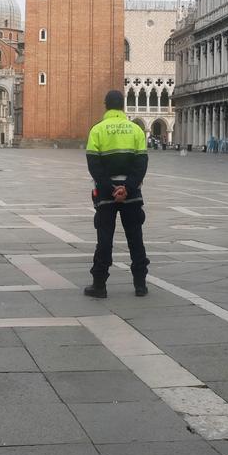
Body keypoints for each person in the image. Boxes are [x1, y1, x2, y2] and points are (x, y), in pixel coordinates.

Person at [83, 89, 150, 298]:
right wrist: (127, 188)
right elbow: (141, 164)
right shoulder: (136, 130)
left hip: (105, 194)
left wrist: (110, 189)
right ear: (123, 106)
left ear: (105, 105)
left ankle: (100, 285)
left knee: (104, 239)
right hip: (131, 194)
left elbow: (93, 165)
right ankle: (140, 284)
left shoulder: (97, 130)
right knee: (135, 238)